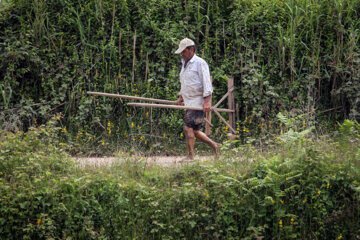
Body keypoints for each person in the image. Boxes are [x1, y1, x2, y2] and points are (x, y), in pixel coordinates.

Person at [175, 38, 220, 160]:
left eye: (183, 51)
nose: (182, 54)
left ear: (191, 50)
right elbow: (185, 82)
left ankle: (190, 156)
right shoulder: (184, 64)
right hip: (189, 100)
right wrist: (181, 96)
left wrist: (207, 101)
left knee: (187, 127)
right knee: (194, 131)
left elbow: (206, 83)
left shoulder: (200, 63)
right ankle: (215, 146)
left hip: (198, 100)